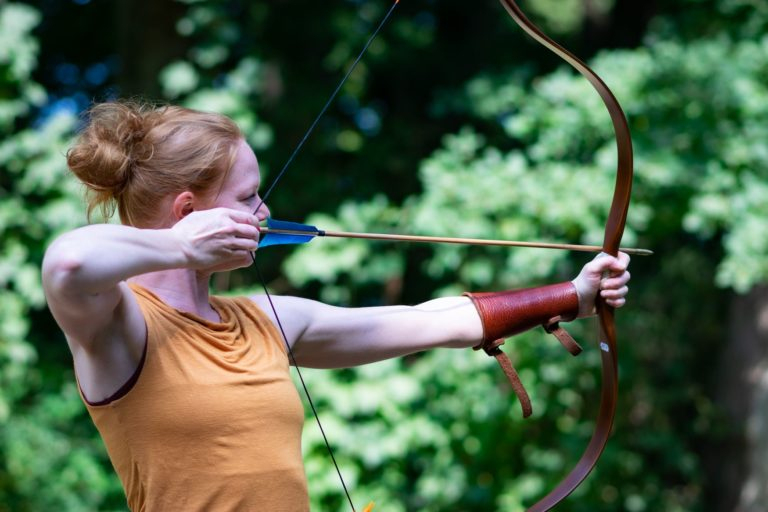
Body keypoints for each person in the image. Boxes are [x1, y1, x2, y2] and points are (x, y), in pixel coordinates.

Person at [42, 101, 631, 511]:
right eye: (248, 197)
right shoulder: (120, 326)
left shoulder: (266, 321)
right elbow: (67, 262)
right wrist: (178, 247)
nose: (265, 212)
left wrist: (572, 296)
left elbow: (421, 320)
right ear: (189, 210)